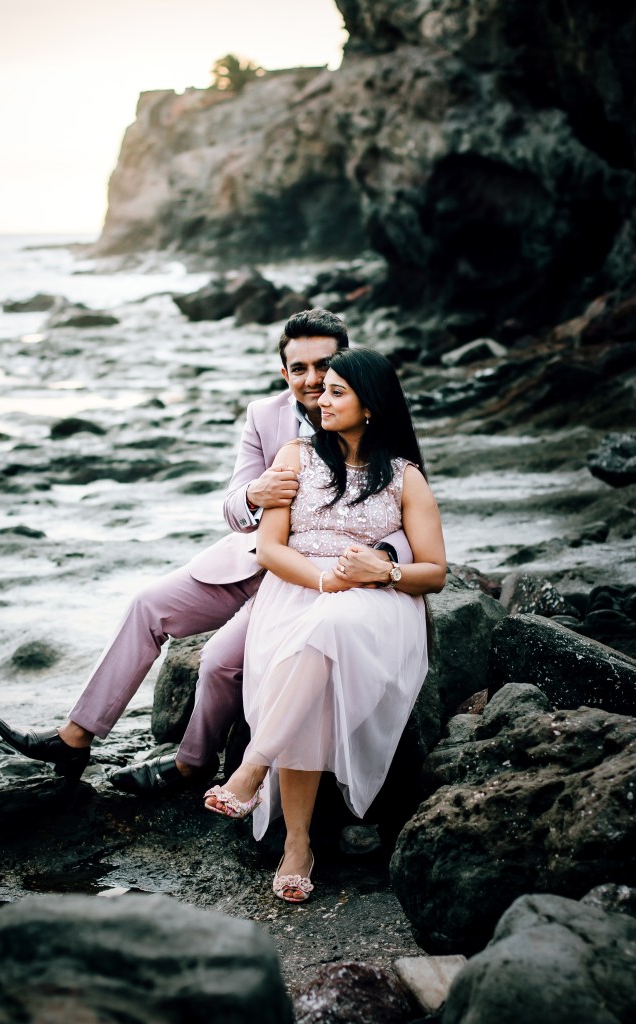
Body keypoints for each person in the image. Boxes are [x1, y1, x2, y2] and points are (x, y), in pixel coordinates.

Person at [0, 310, 410, 792]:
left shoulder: (376, 415)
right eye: (299, 369)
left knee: (218, 662)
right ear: (284, 373)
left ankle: (193, 761)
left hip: (316, 578)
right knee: (146, 604)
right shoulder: (263, 415)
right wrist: (256, 494)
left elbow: (403, 501)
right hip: (250, 559)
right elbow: (231, 506)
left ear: (347, 362)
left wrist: (381, 559)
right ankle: (75, 737)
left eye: (325, 365)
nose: (312, 380)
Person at [203, 348, 446, 903]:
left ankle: (252, 769)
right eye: (322, 389)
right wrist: (321, 580)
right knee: (310, 648)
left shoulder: (406, 478)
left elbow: (434, 572)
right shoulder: (295, 456)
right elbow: (267, 548)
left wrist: (383, 571)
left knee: (329, 628)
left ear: (371, 405)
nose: (321, 398)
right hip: (299, 590)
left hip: (377, 604)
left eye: (338, 391)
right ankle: (297, 846)